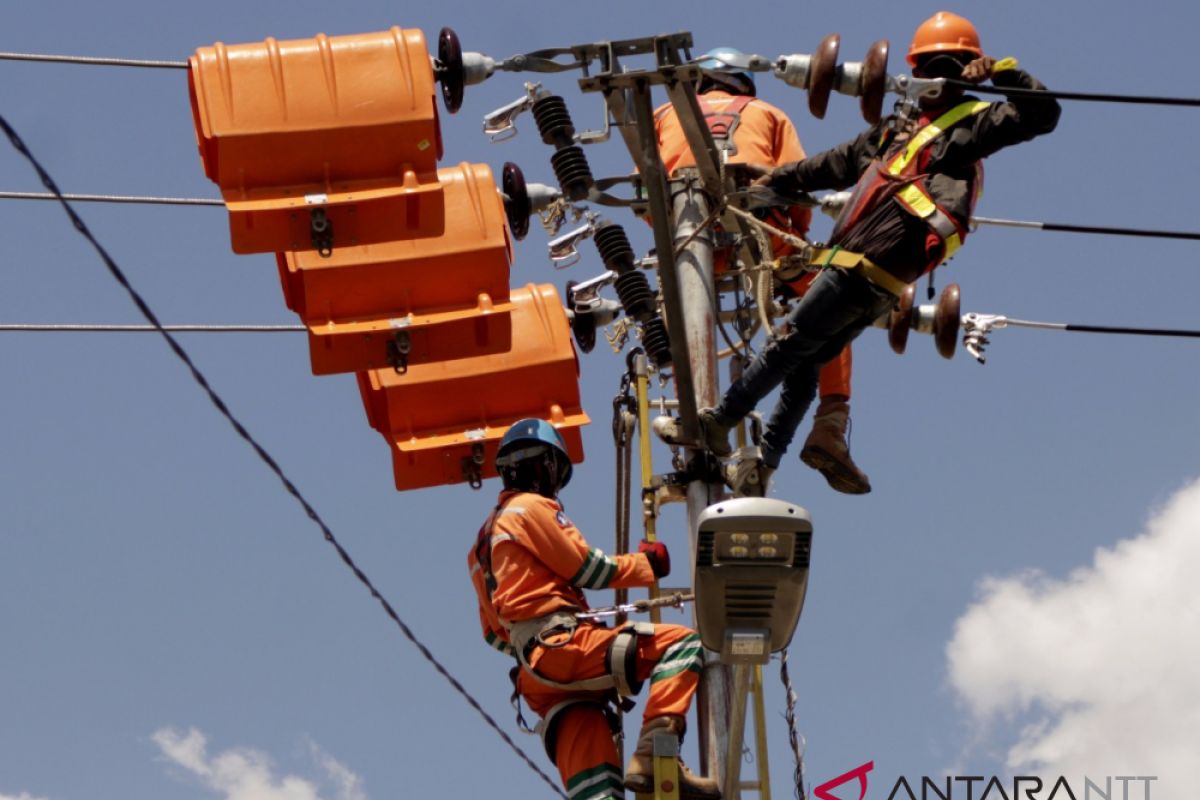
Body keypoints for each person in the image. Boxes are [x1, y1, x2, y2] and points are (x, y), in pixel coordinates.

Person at [695, 12, 1061, 477]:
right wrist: (775, 179)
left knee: (790, 343)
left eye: (950, 65)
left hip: (874, 258)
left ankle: (720, 420)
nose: (935, 76)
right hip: (871, 269)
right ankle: (766, 463)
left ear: (967, 68)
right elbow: (838, 163)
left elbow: (1043, 112)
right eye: (928, 67)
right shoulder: (899, 126)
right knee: (808, 361)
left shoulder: (973, 124)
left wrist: (1002, 71)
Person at [653, 48, 870, 495]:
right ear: (742, 84)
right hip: (765, 234)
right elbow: (793, 180)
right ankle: (831, 421)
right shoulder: (768, 113)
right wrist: (797, 236)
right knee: (831, 311)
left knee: (679, 315)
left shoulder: (662, 113)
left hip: (688, 232)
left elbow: (646, 189)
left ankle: (689, 412)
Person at [468, 418, 721, 799]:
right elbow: (589, 568)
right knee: (683, 646)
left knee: (597, 791)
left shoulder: (480, 550)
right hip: (564, 648)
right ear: (550, 468)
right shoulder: (531, 509)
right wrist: (647, 565)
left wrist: (532, 640)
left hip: (539, 678)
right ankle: (654, 753)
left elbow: (492, 634)